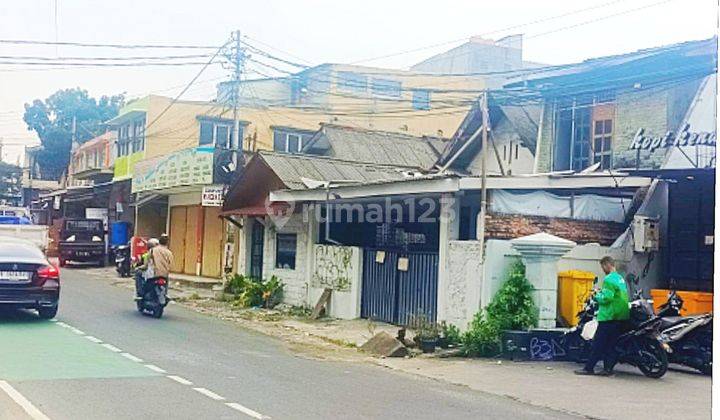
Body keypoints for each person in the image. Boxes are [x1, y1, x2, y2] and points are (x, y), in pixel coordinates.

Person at [575, 256, 630, 376]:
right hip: (620, 315)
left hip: (608, 315)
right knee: (611, 344)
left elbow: (607, 297)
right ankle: (608, 369)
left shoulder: (609, 279)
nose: (603, 269)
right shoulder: (620, 278)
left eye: (602, 267)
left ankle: (589, 368)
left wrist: (596, 295)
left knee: (598, 343)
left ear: (607, 265)